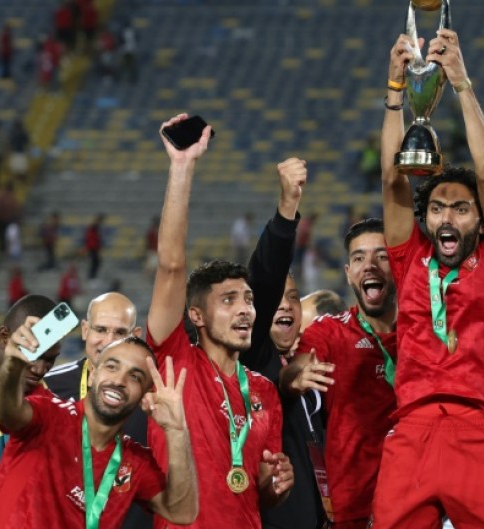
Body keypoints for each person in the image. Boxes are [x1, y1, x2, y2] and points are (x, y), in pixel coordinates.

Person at [373, 27, 484, 528]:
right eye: (438, 208)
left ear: (480, 220)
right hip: (411, 433)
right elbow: (391, 179)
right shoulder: (409, 257)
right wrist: (395, 95)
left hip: (482, 433)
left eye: (461, 210)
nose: (447, 218)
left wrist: (462, 84)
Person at [147, 113, 292, 529]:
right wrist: (182, 167)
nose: (246, 309)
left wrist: (276, 483)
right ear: (197, 315)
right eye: (228, 300)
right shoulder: (174, 361)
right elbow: (172, 266)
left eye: (247, 299)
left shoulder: (263, 390)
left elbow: (261, 490)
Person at [0, 333, 198, 528]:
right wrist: (11, 370)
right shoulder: (48, 413)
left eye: (135, 377)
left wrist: (176, 429)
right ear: (93, 374)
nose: (119, 381)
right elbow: (7, 412)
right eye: (112, 367)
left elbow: (182, 512)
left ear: (145, 394)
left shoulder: (134, 463)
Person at [282, 218, 397, 529]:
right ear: (348, 274)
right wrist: (295, 376)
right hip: (353, 509)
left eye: (382, 256)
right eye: (358, 258)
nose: (369, 265)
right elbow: (297, 367)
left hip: (417, 501)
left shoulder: (425, 332)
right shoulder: (330, 331)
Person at [238, 156, 324, 529]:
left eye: (294, 297)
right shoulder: (253, 356)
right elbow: (265, 277)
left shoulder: (315, 366)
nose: (285, 304)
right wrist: (287, 208)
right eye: (278, 298)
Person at [43, 291, 151, 529]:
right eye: (101, 330)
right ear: (85, 330)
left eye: (120, 332)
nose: (109, 341)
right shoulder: (48, 386)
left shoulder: (152, 397)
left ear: (135, 336)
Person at [0, 295, 60, 511]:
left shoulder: (52, 408)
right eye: (34, 353)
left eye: (50, 359)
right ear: (4, 337)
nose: (40, 369)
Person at [84, 213, 104, 280]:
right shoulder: (93, 228)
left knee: (96, 262)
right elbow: (90, 239)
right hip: (92, 247)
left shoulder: (95, 228)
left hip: (94, 247)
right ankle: (91, 276)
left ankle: (92, 275)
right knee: (94, 262)